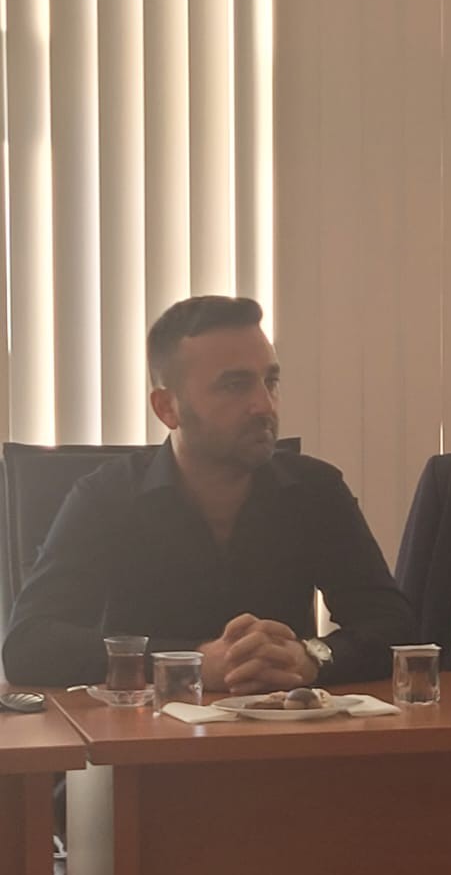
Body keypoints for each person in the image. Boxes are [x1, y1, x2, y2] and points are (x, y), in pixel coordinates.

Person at [2, 295, 416, 692]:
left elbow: (395, 626)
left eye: (270, 381)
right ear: (167, 408)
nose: (264, 405)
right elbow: (30, 644)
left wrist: (310, 657)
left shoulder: (315, 490)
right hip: (147, 733)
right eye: (235, 385)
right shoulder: (106, 498)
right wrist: (190, 663)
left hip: (284, 726)